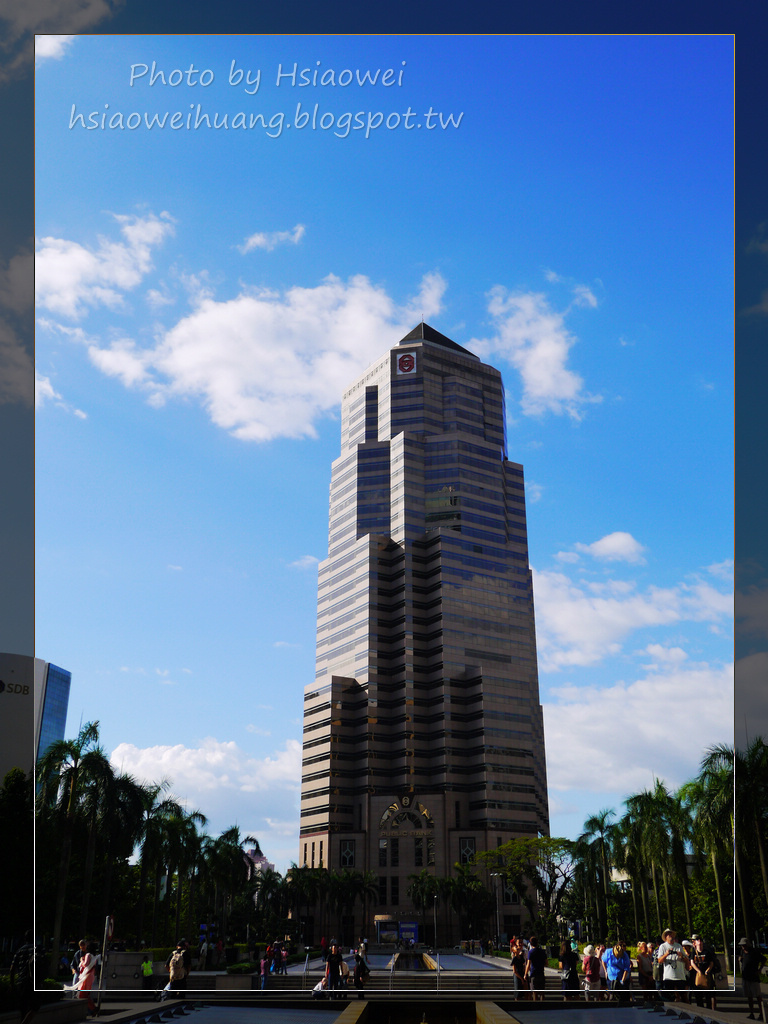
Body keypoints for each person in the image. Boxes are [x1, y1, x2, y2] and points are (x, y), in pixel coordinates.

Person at [10, 930, 41, 1024]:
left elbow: (12, 969)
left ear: (25, 939)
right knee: (35, 1006)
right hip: (32, 982)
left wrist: (12, 984)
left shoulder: (20, 950)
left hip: (21, 983)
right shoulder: (37, 949)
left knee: (23, 1009)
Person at [657, 928, 690, 1002]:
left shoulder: (678, 946)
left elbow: (686, 959)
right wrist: (666, 954)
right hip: (669, 976)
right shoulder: (663, 946)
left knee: (683, 996)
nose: (670, 936)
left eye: (671, 934)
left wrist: (681, 955)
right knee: (669, 997)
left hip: (680, 976)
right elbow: (659, 960)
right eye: (668, 935)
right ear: (666, 937)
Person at [738, 938, 766, 1020]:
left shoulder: (754, 952)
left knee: (757, 995)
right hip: (745, 977)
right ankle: (751, 1013)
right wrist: (740, 960)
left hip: (753, 977)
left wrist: (760, 969)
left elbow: (764, 959)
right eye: (742, 945)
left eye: (744, 945)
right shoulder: (742, 952)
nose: (743, 947)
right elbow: (742, 960)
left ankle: (762, 1013)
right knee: (749, 996)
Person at [689, 934, 716, 1011]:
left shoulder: (707, 952)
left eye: (701, 941)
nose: (699, 942)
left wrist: (708, 970)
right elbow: (692, 962)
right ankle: (700, 1011)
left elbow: (711, 962)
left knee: (708, 996)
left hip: (706, 976)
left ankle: (709, 1011)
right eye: (698, 941)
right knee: (698, 997)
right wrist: (698, 971)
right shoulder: (694, 952)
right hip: (697, 977)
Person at [74, 941, 98, 1015]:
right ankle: (92, 1009)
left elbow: (86, 964)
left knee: (82, 994)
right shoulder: (94, 956)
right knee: (86, 993)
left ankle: (93, 1008)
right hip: (91, 975)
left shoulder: (88, 955)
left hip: (86, 976)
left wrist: (82, 960)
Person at [524, 935, 547, 1001]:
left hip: (533, 974)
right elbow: (546, 963)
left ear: (530, 944)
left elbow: (528, 964)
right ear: (537, 943)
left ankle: (536, 1004)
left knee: (534, 992)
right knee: (542, 992)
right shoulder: (542, 951)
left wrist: (525, 974)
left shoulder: (531, 952)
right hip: (541, 973)